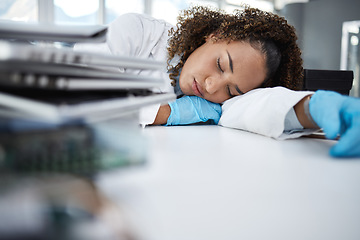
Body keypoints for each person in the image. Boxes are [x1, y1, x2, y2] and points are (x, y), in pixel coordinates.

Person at [75, 6, 360, 158]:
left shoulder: (225, 101)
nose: (212, 87)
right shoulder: (136, 32)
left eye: (231, 90)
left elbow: (260, 106)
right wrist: (167, 113)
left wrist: (313, 107)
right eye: (221, 64)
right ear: (214, 35)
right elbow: (78, 94)